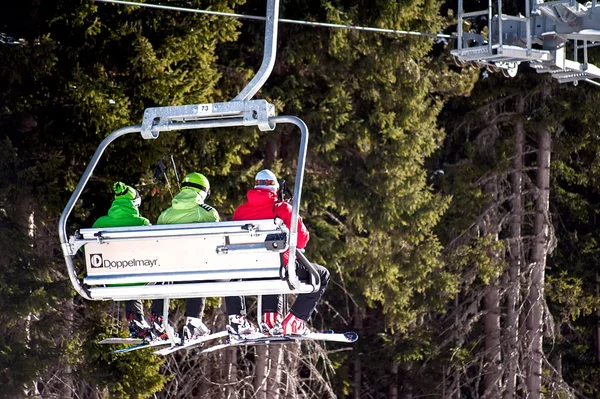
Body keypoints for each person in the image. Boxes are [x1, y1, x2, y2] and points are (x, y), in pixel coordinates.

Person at [225, 169, 330, 335]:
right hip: (276, 268)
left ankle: (271, 319)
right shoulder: (282, 209)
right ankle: (294, 321)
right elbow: (302, 240)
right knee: (321, 275)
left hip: (247, 269)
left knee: (272, 266)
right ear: (275, 188)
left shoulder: (240, 211)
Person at [151, 172, 219, 340]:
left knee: (164, 273)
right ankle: (194, 322)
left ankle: (158, 319)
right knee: (200, 267)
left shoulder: (165, 214)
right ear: (204, 191)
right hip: (196, 270)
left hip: (169, 271)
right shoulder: (207, 213)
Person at [92, 182, 152, 339]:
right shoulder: (142, 223)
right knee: (136, 272)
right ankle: (144, 320)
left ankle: (136, 320)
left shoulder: (100, 224)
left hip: (108, 278)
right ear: (134, 204)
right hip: (138, 276)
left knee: (129, 275)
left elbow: (81, 250)